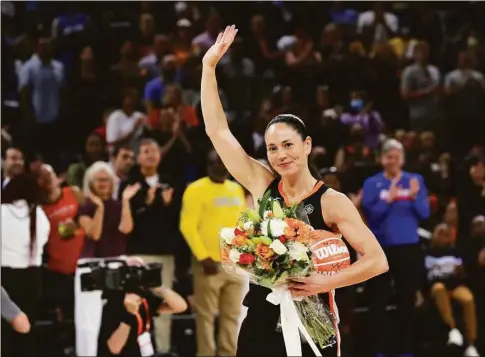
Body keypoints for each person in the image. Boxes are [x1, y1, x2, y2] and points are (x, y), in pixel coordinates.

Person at [200, 25, 389, 357]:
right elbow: (217, 131)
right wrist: (208, 67)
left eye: (288, 145)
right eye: (272, 148)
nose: (280, 154)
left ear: (307, 146)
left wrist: (323, 283)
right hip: (261, 313)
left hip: (312, 317)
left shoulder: (332, 201)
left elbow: (377, 261)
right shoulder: (262, 183)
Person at [361, 139, 430, 357]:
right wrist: (387, 200)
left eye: (397, 157)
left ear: (403, 159)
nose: (393, 161)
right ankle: (379, 350)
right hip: (381, 248)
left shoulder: (415, 181)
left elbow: (425, 214)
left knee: (407, 299)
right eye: (389, 156)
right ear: (382, 159)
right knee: (378, 300)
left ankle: (406, 350)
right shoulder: (372, 183)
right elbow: (370, 215)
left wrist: (414, 196)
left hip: (408, 247)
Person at [180, 149, 247, 356]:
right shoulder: (195, 189)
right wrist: (203, 257)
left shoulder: (236, 189)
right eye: (216, 161)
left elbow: (242, 224)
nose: (221, 165)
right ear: (208, 164)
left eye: (224, 161)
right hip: (208, 264)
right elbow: (187, 226)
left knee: (232, 316)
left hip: (234, 263)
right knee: (206, 317)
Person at [75, 161, 139, 357]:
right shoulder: (85, 208)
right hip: (91, 266)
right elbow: (94, 234)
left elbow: (126, 229)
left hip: (117, 263)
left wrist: (126, 201)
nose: (103, 183)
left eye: (107, 179)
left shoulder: (119, 205)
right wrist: (100, 208)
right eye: (99, 180)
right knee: (88, 322)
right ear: (91, 183)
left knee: (116, 314)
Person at [96, 257, 188, 357]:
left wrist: (158, 287)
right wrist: (128, 316)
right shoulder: (114, 302)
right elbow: (114, 349)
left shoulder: (146, 298)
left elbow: (181, 307)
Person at [1, 173, 51, 357]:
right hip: (32, 279)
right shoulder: (39, 214)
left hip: (5, 279)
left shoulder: (2, 212)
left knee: (4, 332)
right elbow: (44, 242)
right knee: (27, 331)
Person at [424, 224, 480, 357]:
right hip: (435, 286)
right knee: (439, 289)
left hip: (455, 286)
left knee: (467, 298)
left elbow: (465, 275)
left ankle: (471, 344)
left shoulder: (456, 252)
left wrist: (461, 272)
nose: (444, 236)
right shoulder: (426, 253)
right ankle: (452, 329)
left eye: (447, 234)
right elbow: (422, 275)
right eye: (440, 232)